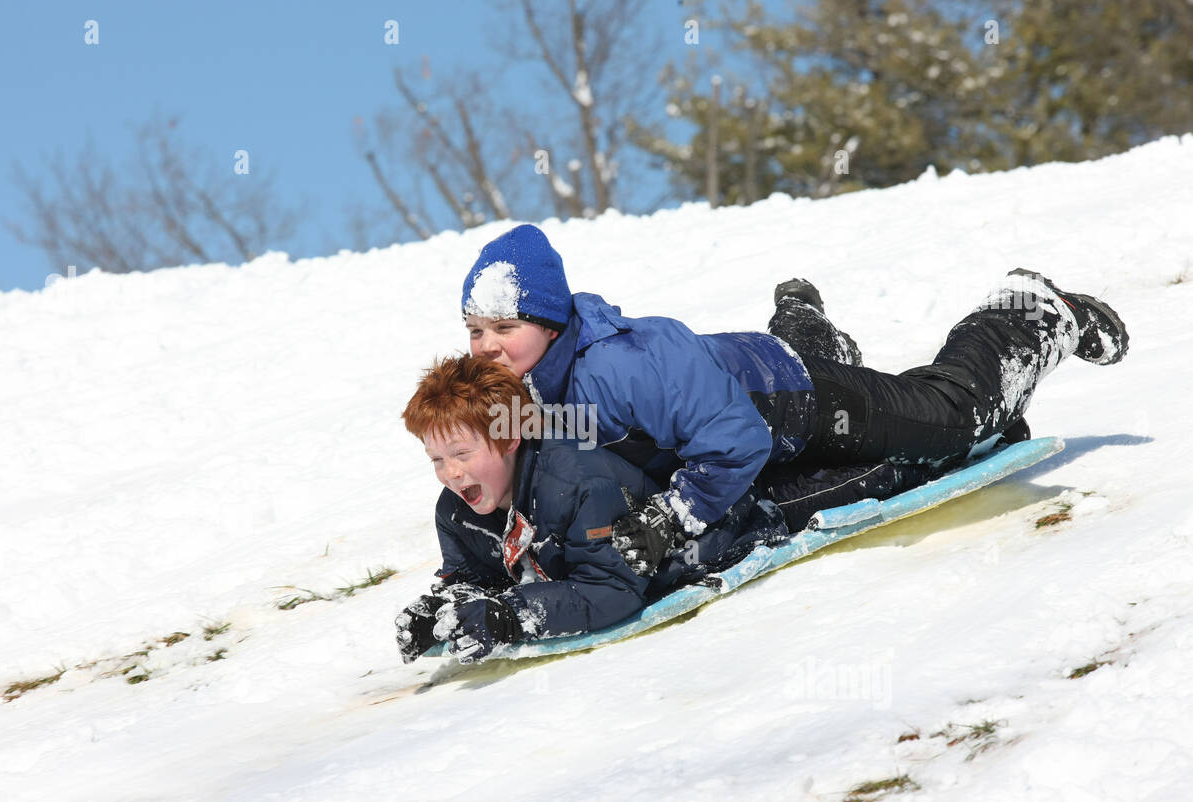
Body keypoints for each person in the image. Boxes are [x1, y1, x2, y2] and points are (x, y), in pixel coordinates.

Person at [460, 224, 1129, 569]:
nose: (486, 345)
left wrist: (676, 516)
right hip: (748, 375)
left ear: (550, 325)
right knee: (797, 362)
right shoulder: (524, 390)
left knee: (950, 415)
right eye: (475, 330)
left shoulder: (624, 367)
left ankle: (1026, 311)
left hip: (796, 402)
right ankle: (804, 319)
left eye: (504, 328)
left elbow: (738, 440)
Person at [395, 355, 786, 664]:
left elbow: (613, 589)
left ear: (510, 437)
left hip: (738, 512)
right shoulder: (457, 510)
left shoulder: (579, 486)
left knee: (830, 468)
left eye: (461, 453)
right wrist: (444, 610)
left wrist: (513, 617)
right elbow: (477, 576)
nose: (450, 473)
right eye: (437, 459)